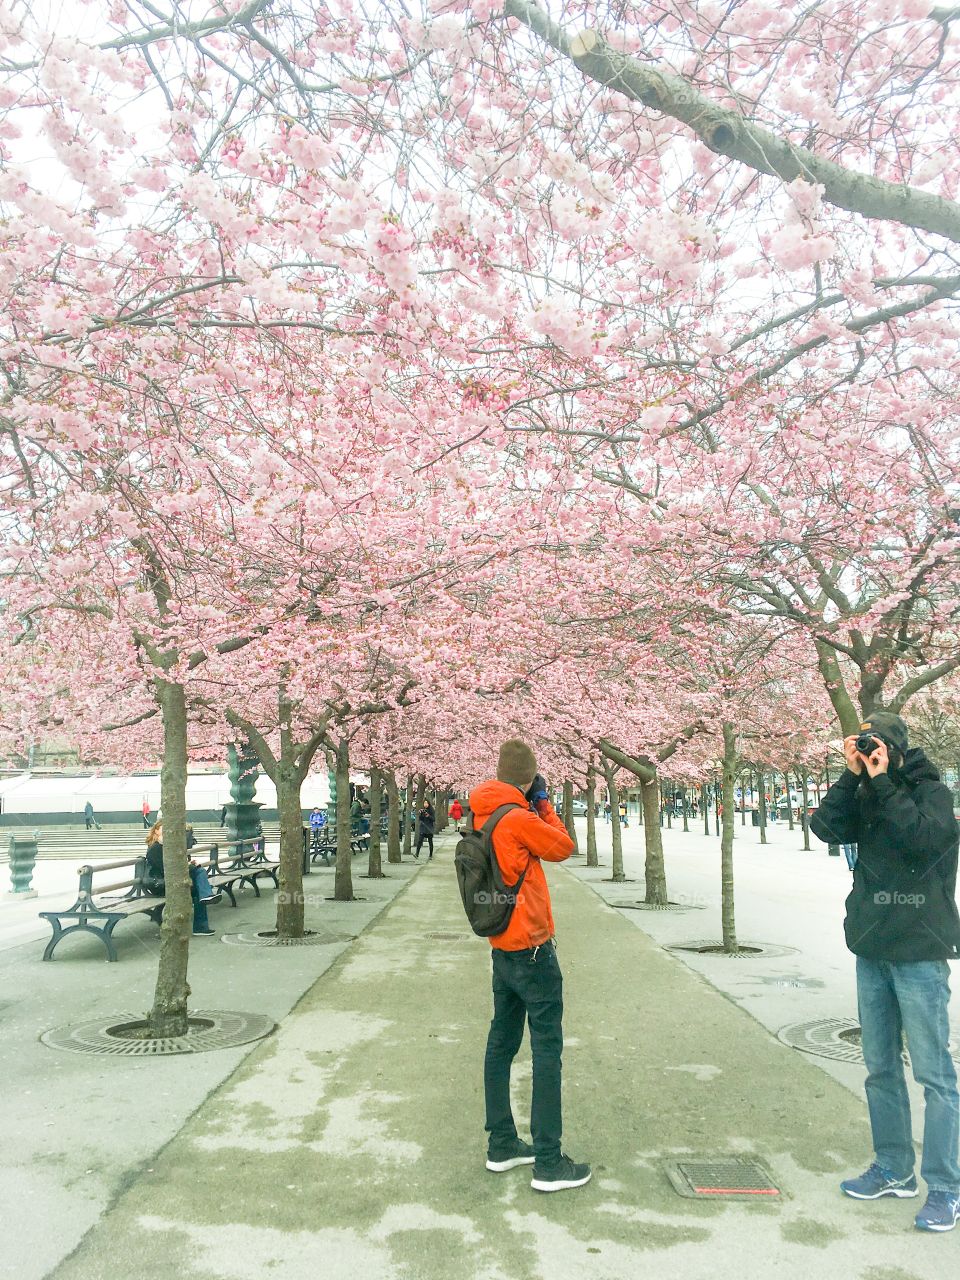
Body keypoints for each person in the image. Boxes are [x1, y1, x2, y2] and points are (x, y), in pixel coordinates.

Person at [811, 711, 960, 1232]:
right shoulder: (865, 790)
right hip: (872, 949)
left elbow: (921, 841)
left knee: (935, 1075)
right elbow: (824, 826)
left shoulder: (932, 795)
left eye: (878, 749)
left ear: (896, 750)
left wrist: (881, 780)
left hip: (920, 953)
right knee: (880, 1069)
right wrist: (852, 776)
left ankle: (945, 1186)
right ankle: (894, 1168)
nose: (871, 754)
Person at [471, 739, 591, 1193]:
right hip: (534, 951)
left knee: (501, 1044)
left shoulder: (484, 813)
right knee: (546, 1051)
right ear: (528, 778)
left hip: (502, 947)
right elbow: (563, 846)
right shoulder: (520, 818)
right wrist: (543, 803)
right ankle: (548, 1161)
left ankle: (502, 1144)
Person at [143, 822, 218, 936]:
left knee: (198, 878)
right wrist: (187, 866)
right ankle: (202, 918)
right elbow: (166, 869)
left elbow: (176, 867)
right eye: (164, 829)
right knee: (199, 876)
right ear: (156, 831)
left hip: (172, 880)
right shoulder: (155, 848)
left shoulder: (171, 847)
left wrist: (188, 864)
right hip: (161, 884)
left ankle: (205, 899)